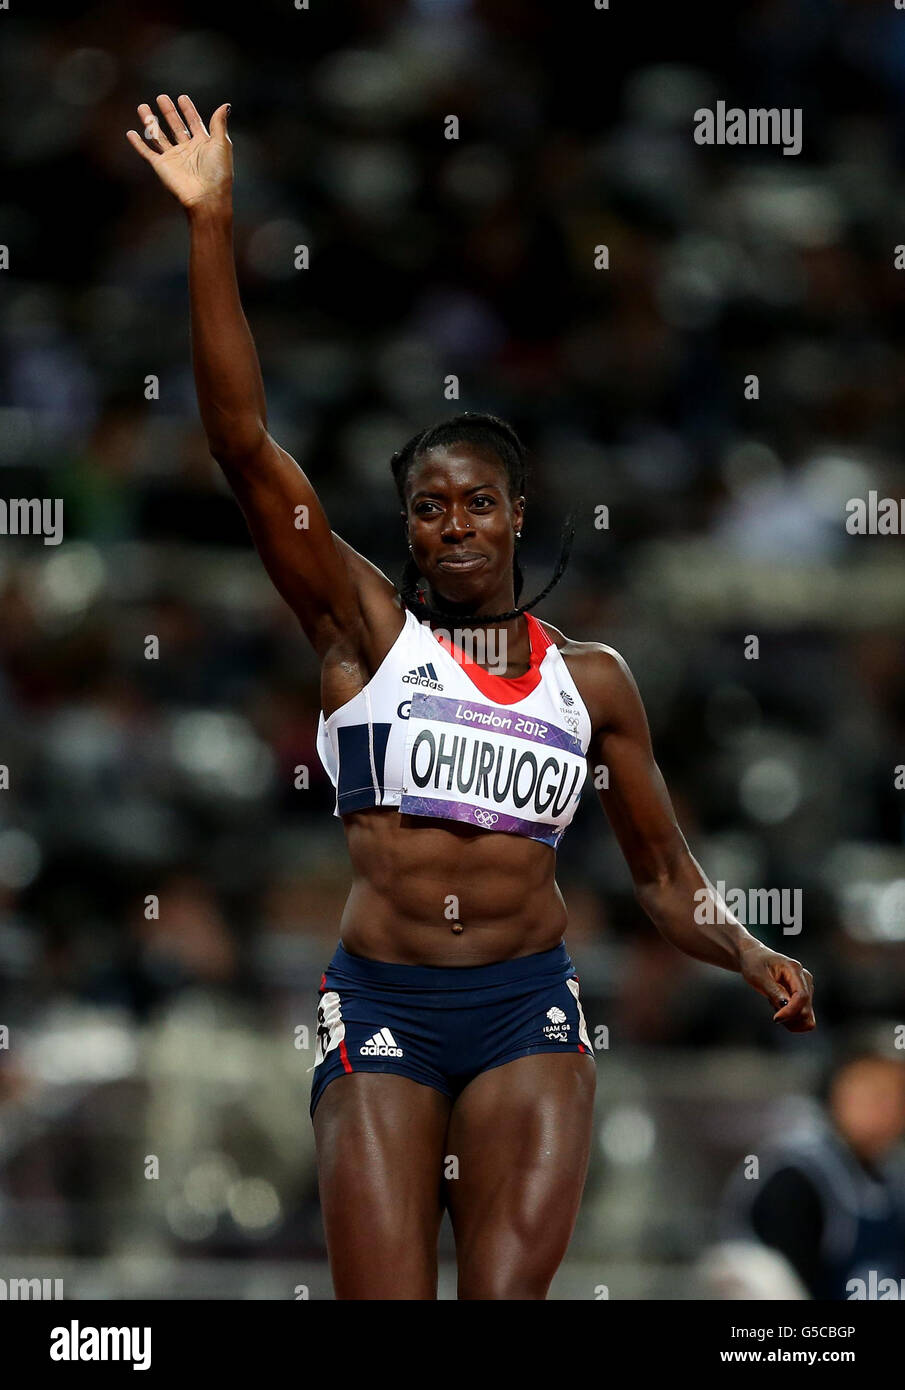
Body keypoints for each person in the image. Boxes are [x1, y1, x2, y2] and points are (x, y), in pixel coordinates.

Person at [127, 94, 817, 1300]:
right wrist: (210, 220)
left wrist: (745, 947)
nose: (452, 523)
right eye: (429, 506)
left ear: (514, 517)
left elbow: (659, 874)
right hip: (382, 1003)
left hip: (525, 1010)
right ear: (407, 527)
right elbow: (242, 445)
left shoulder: (589, 680)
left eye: (476, 502)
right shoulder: (360, 629)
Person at [720, 1039, 905, 1299]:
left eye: (898, 1095)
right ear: (834, 1093)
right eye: (874, 1094)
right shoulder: (795, 1177)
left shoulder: (893, 1176)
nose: (888, 1108)